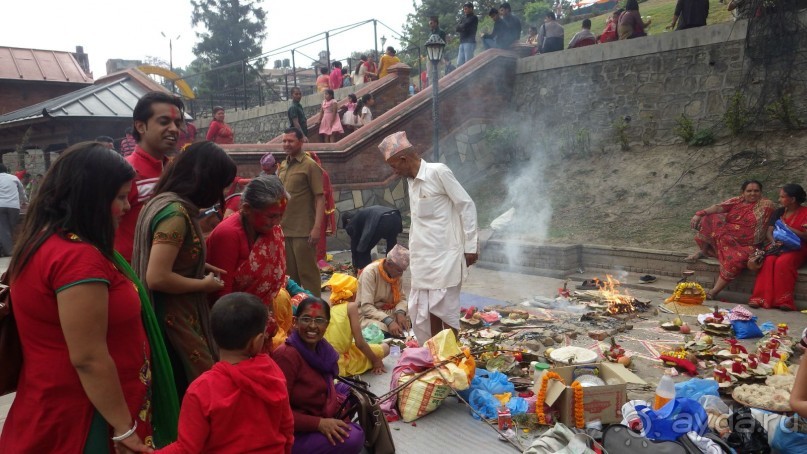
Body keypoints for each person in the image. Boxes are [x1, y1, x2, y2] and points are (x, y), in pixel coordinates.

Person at [0, 142, 178, 452]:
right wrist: (124, 430)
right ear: (91, 198)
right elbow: (88, 357)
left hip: (68, 403)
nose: (126, 207)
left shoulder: (46, 241)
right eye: (121, 197)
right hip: (86, 416)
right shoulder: (78, 259)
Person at [133, 141, 237, 396]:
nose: (218, 195)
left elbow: (173, 259)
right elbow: (157, 276)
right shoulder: (176, 215)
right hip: (173, 319)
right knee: (197, 386)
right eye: (219, 186)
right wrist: (205, 285)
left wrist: (199, 265)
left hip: (172, 313)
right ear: (204, 181)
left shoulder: (161, 203)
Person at [157, 293, 294, 453]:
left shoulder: (201, 389)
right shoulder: (272, 371)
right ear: (257, 341)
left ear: (213, 337)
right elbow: (287, 427)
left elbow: (186, 449)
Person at [380, 131, 478, 345]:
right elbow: (419, 223)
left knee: (447, 311)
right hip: (423, 260)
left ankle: (451, 357)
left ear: (404, 159)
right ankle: (434, 355)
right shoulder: (411, 182)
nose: (394, 172)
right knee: (426, 309)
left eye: (394, 166)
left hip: (446, 257)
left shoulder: (438, 172)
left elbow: (466, 205)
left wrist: (471, 246)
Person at [206, 176, 293, 351]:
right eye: (272, 216)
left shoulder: (272, 229)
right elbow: (222, 293)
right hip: (235, 327)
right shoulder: (228, 234)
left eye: (280, 216)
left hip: (260, 323)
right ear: (247, 209)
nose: (277, 222)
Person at [273, 297, 365, 454]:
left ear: (327, 325)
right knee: (354, 437)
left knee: (354, 390)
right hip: (294, 433)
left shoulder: (322, 348)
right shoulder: (286, 356)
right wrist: (319, 424)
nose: (313, 326)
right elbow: (277, 414)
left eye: (320, 320)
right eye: (306, 319)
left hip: (314, 408)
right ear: (295, 322)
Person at [115, 91, 185, 263]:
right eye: (164, 122)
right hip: (133, 274)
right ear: (140, 126)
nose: (174, 129)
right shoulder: (123, 172)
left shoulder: (175, 170)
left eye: (177, 123)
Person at [688, 180, 775, 300]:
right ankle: (704, 250)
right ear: (743, 192)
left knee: (735, 260)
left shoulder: (766, 205)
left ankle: (713, 292)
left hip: (748, 245)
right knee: (710, 217)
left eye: (756, 191)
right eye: (749, 191)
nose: (752, 194)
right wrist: (699, 213)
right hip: (727, 239)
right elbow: (718, 208)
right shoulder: (737, 201)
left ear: (761, 192)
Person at [278, 127, 325, 297]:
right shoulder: (283, 166)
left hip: (303, 230)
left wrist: (317, 228)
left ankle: (315, 310)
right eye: (284, 141)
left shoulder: (310, 165)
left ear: (301, 141)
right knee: (290, 277)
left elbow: (320, 198)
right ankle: (296, 313)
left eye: (290, 141)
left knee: (308, 274)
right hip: (284, 229)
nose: (286, 144)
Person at [749, 184, 807, 311]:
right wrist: (774, 242)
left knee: (783, 262)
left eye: (782, 197)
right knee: (768, 261)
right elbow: (769, 231)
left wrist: (787, 228)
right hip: (777, 245)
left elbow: (805, 236)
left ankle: (784, 300)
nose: (779, 200)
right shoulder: (779, 212)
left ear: (792, 199)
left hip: (798, 248)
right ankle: (760, 298)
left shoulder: (805, 213)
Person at [323, 274, 390, 375]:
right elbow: (360, 343)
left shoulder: (329, 306)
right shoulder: (351, 306)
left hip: (324, 357)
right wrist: (376, 361)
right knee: (386, 347)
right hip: (339, 362)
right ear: (353, 295)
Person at [358, 245, 411, 338]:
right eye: (399, 270)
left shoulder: (397, 276)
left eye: (402, 271)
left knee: (416, 315)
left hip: (389, 311)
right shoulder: (370, 273)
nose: (401, 274)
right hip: (369, 315)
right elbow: (366, 307)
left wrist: (400, 313)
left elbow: (402, 299)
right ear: (388, 264)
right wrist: (389, 321)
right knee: (381, 328)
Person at [343, 205, 403, 270]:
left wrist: (355, 264)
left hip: (382, 220)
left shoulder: (353, 221)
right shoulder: (363, 214)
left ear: (348, 221)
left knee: (363, 251)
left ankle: (367, 274)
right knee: (391, 249)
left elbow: (354, 244)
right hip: (396, 217)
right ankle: (391, 272)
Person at [306, 152, 337, 272]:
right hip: (305, 210)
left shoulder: (321, 173)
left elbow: (323, 193)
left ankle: (319, 259)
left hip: (319, 210)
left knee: (319, 235)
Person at [0, 164, 26, 257]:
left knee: (4, 229)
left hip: (0, 206)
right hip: (14, 206)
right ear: (6, 170)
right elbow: (21, 191)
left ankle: (8, 251)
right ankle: (13, 248)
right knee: (12, 228)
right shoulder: (13, 178)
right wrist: (24, 201)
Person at [456, 2, 479, 66]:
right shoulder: (463, 18)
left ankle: (472, 75)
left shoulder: (474, 18)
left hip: (470, 42)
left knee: (468, 63)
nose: (464, 10)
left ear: (471, 9)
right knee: (459, 63)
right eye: (464, 9)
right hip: (462, 42)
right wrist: (463, 27)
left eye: (466, 9)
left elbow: (465, 25)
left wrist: (462, 27)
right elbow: (457, 28)